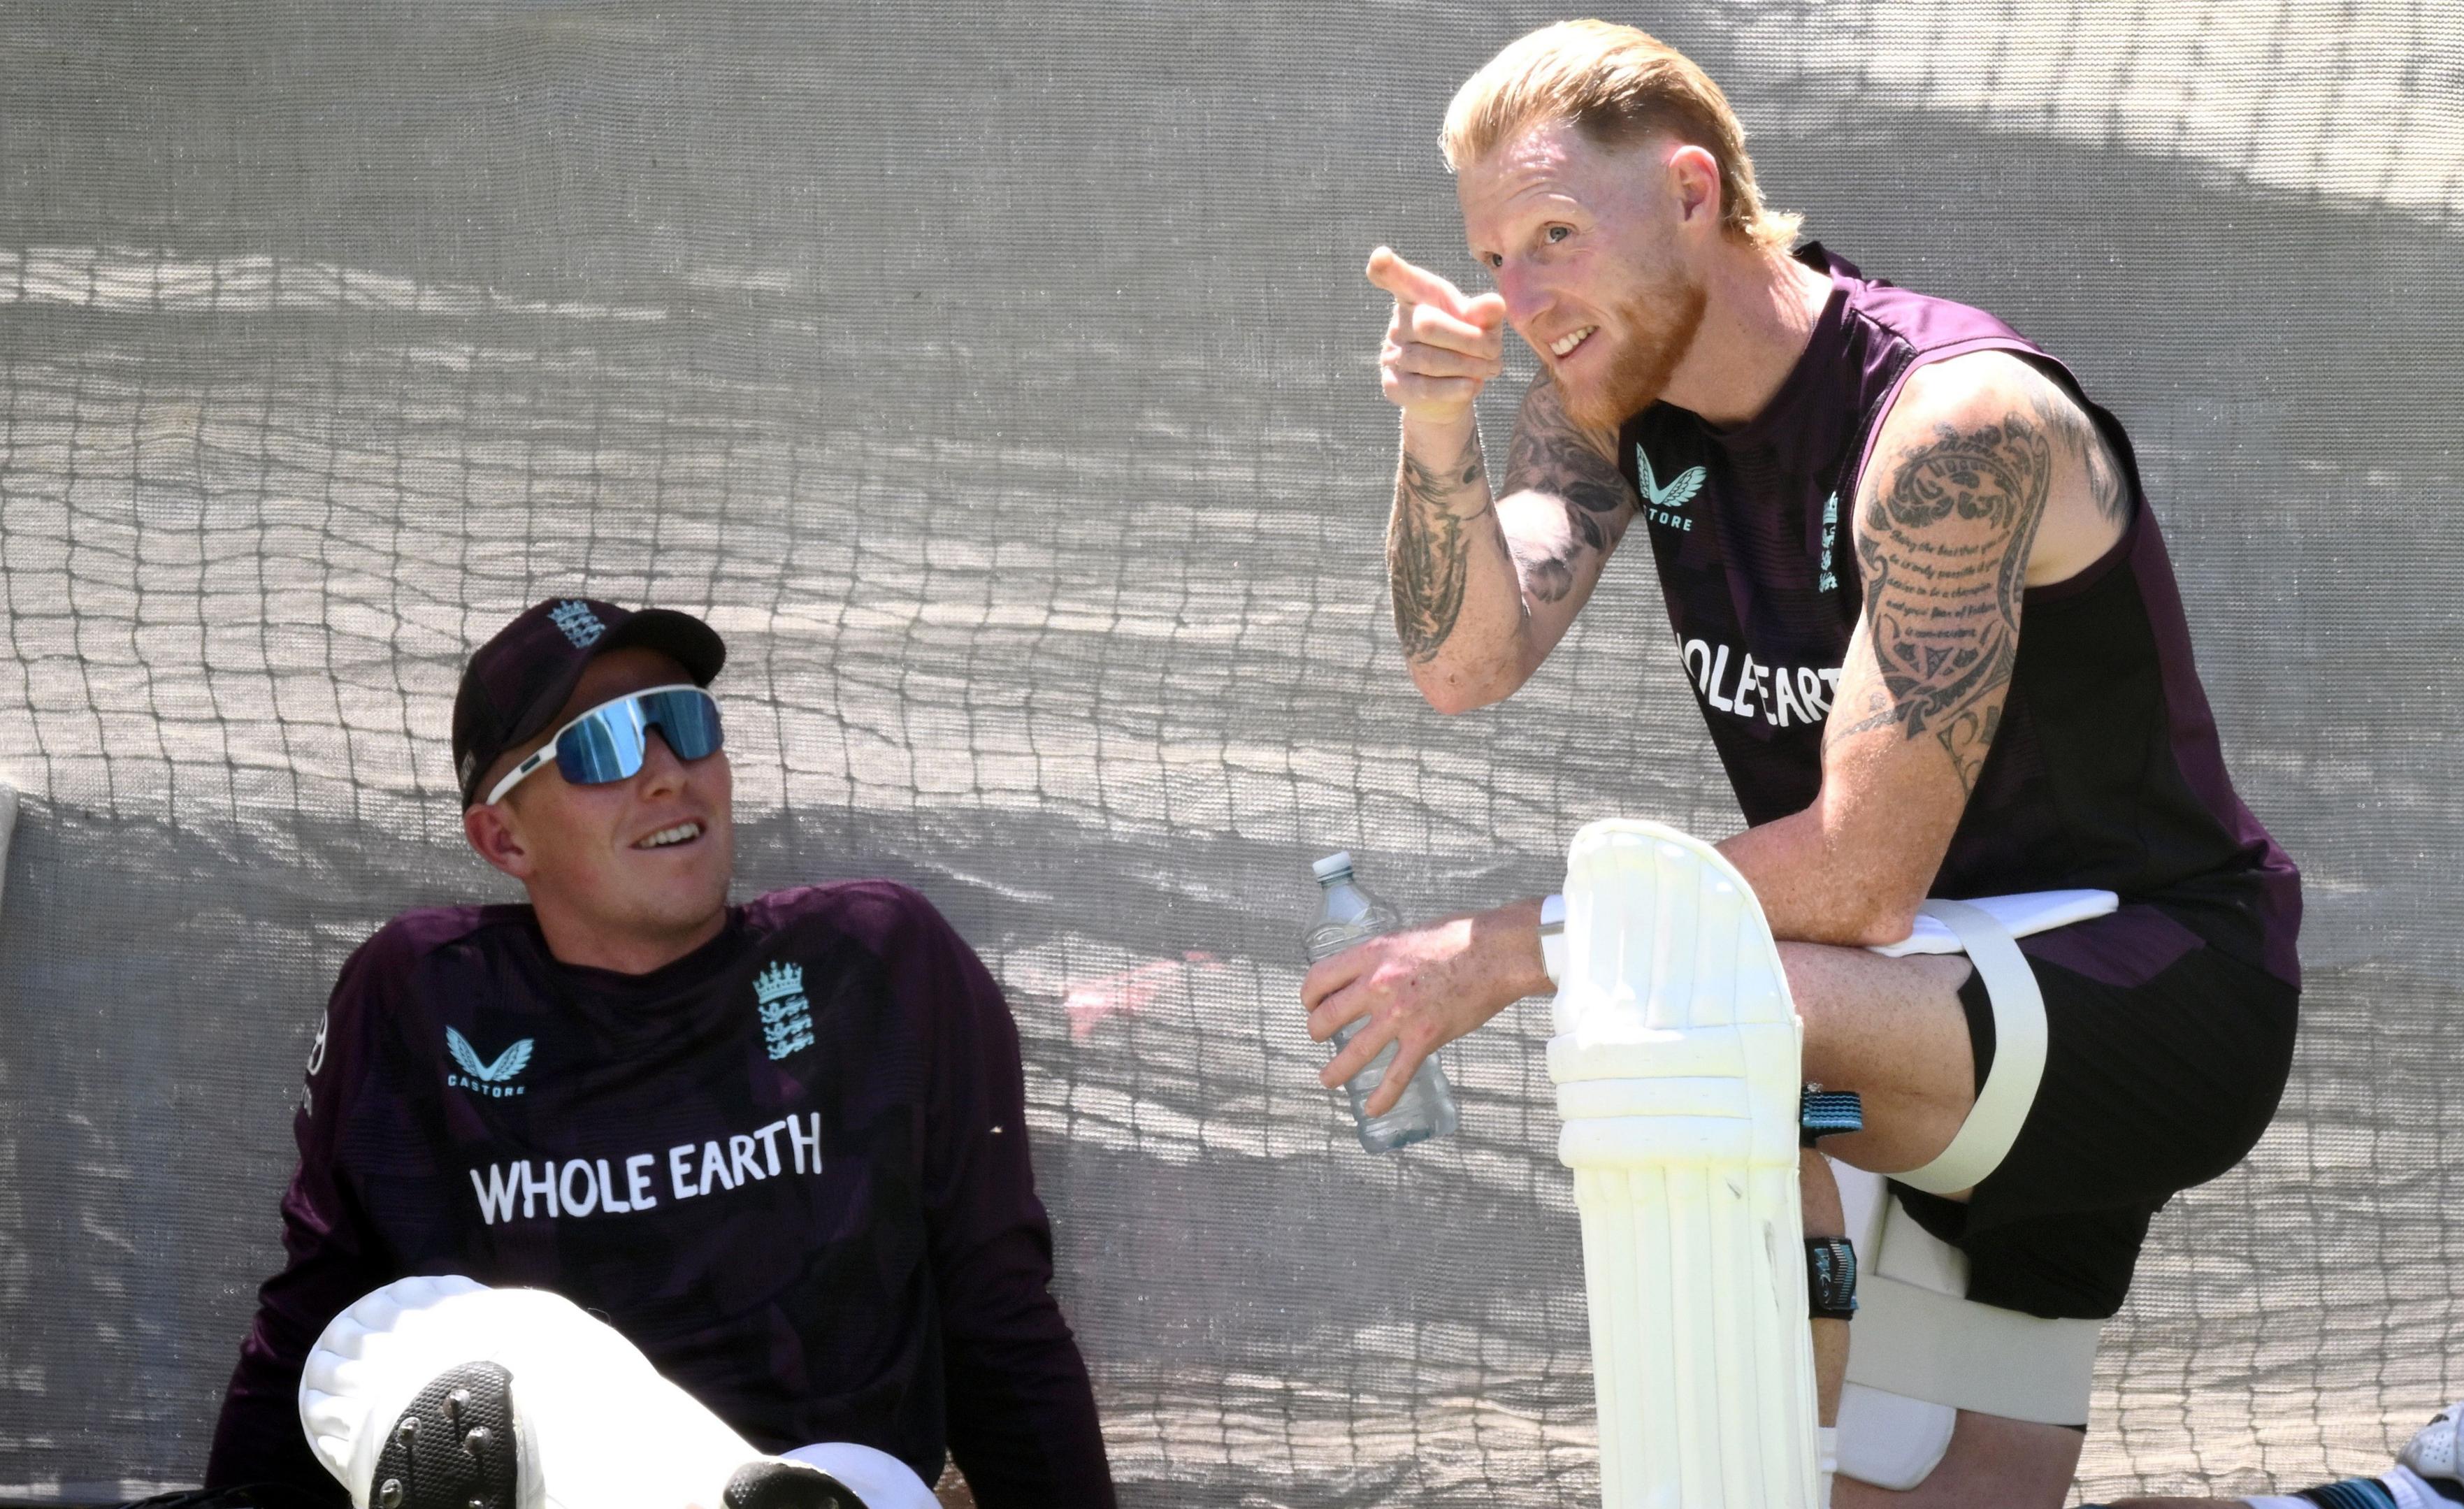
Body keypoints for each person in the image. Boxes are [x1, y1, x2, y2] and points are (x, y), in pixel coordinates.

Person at [1305, 19, 2313, 1504]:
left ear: (1695, 194)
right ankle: (2447, 1483)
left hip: (2152, 993)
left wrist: (1500, 951)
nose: (1523, 299)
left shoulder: (1952, 424)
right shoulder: (1610, 407)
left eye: (1557, 236)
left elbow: (1855, 869)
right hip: (1931, 1011)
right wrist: (1436, 423)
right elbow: (1464, 663)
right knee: (1944, 1493)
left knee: (1692, 1007)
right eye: (1498, 258)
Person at [204, 597, 1115, 1509]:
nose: (666, 773)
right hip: (565, 1489)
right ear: (503, 837)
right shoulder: (423, 996)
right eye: (600, 747)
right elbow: (316, 1327)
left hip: (848, 1486)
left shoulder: (875, 963)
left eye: (684, 723)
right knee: (426, 1363)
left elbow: (1000, 1321)